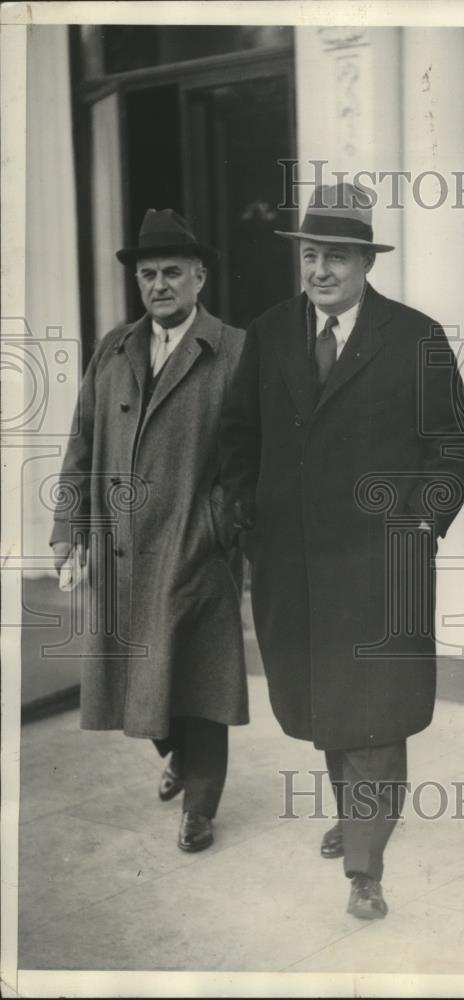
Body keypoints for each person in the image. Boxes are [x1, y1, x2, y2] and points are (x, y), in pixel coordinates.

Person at [220, 183, 464, 919]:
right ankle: (358, 813)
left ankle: (366, 867)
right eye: (311, 255)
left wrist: (421, 524)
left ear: (367, 262)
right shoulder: (269, 332)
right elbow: (238, 436)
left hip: (379, 563)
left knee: (377, 709)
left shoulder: (415, 337)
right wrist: (248, 517)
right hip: (294, 563)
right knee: (325, 700)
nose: (320, 270)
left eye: (337, 256)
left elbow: (453, 445)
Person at [51, 209, 249, 853]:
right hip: (122, 548)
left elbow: (251, 457)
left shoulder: (234, 349)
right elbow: (81, 442)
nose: (159, 285)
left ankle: (200, 807)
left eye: (171, 273)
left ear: (199, 277)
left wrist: (221, 521)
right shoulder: (113, 349)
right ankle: (177, 755)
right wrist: (67, 529)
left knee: (203, 677)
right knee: (142, 674)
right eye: (147, 275)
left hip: (195, 542)